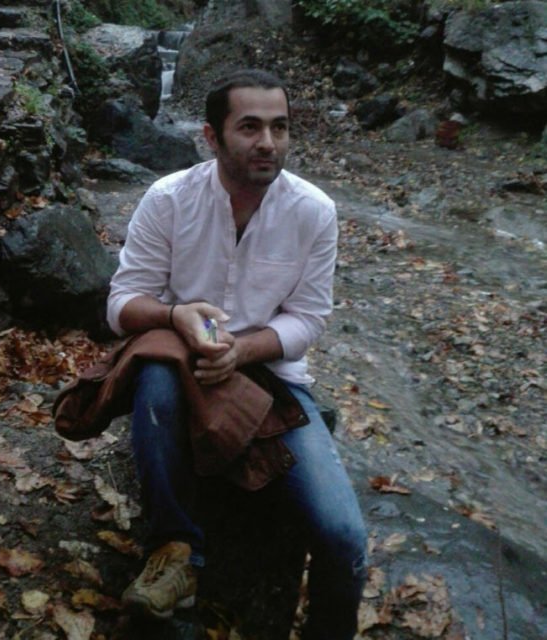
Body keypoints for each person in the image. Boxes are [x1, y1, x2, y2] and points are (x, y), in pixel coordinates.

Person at [106, 69, 367, 640]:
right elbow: (122, 302)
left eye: (280, 127)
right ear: (211, 136)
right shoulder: (169, 199)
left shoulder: (313, 210)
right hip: (183, 360)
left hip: (273, 377)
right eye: (249, 127)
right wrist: (175, 316)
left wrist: (243, 349)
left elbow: (309, 318)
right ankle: (176, 552)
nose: (268, 142)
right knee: (157, 371)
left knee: (344, 537)